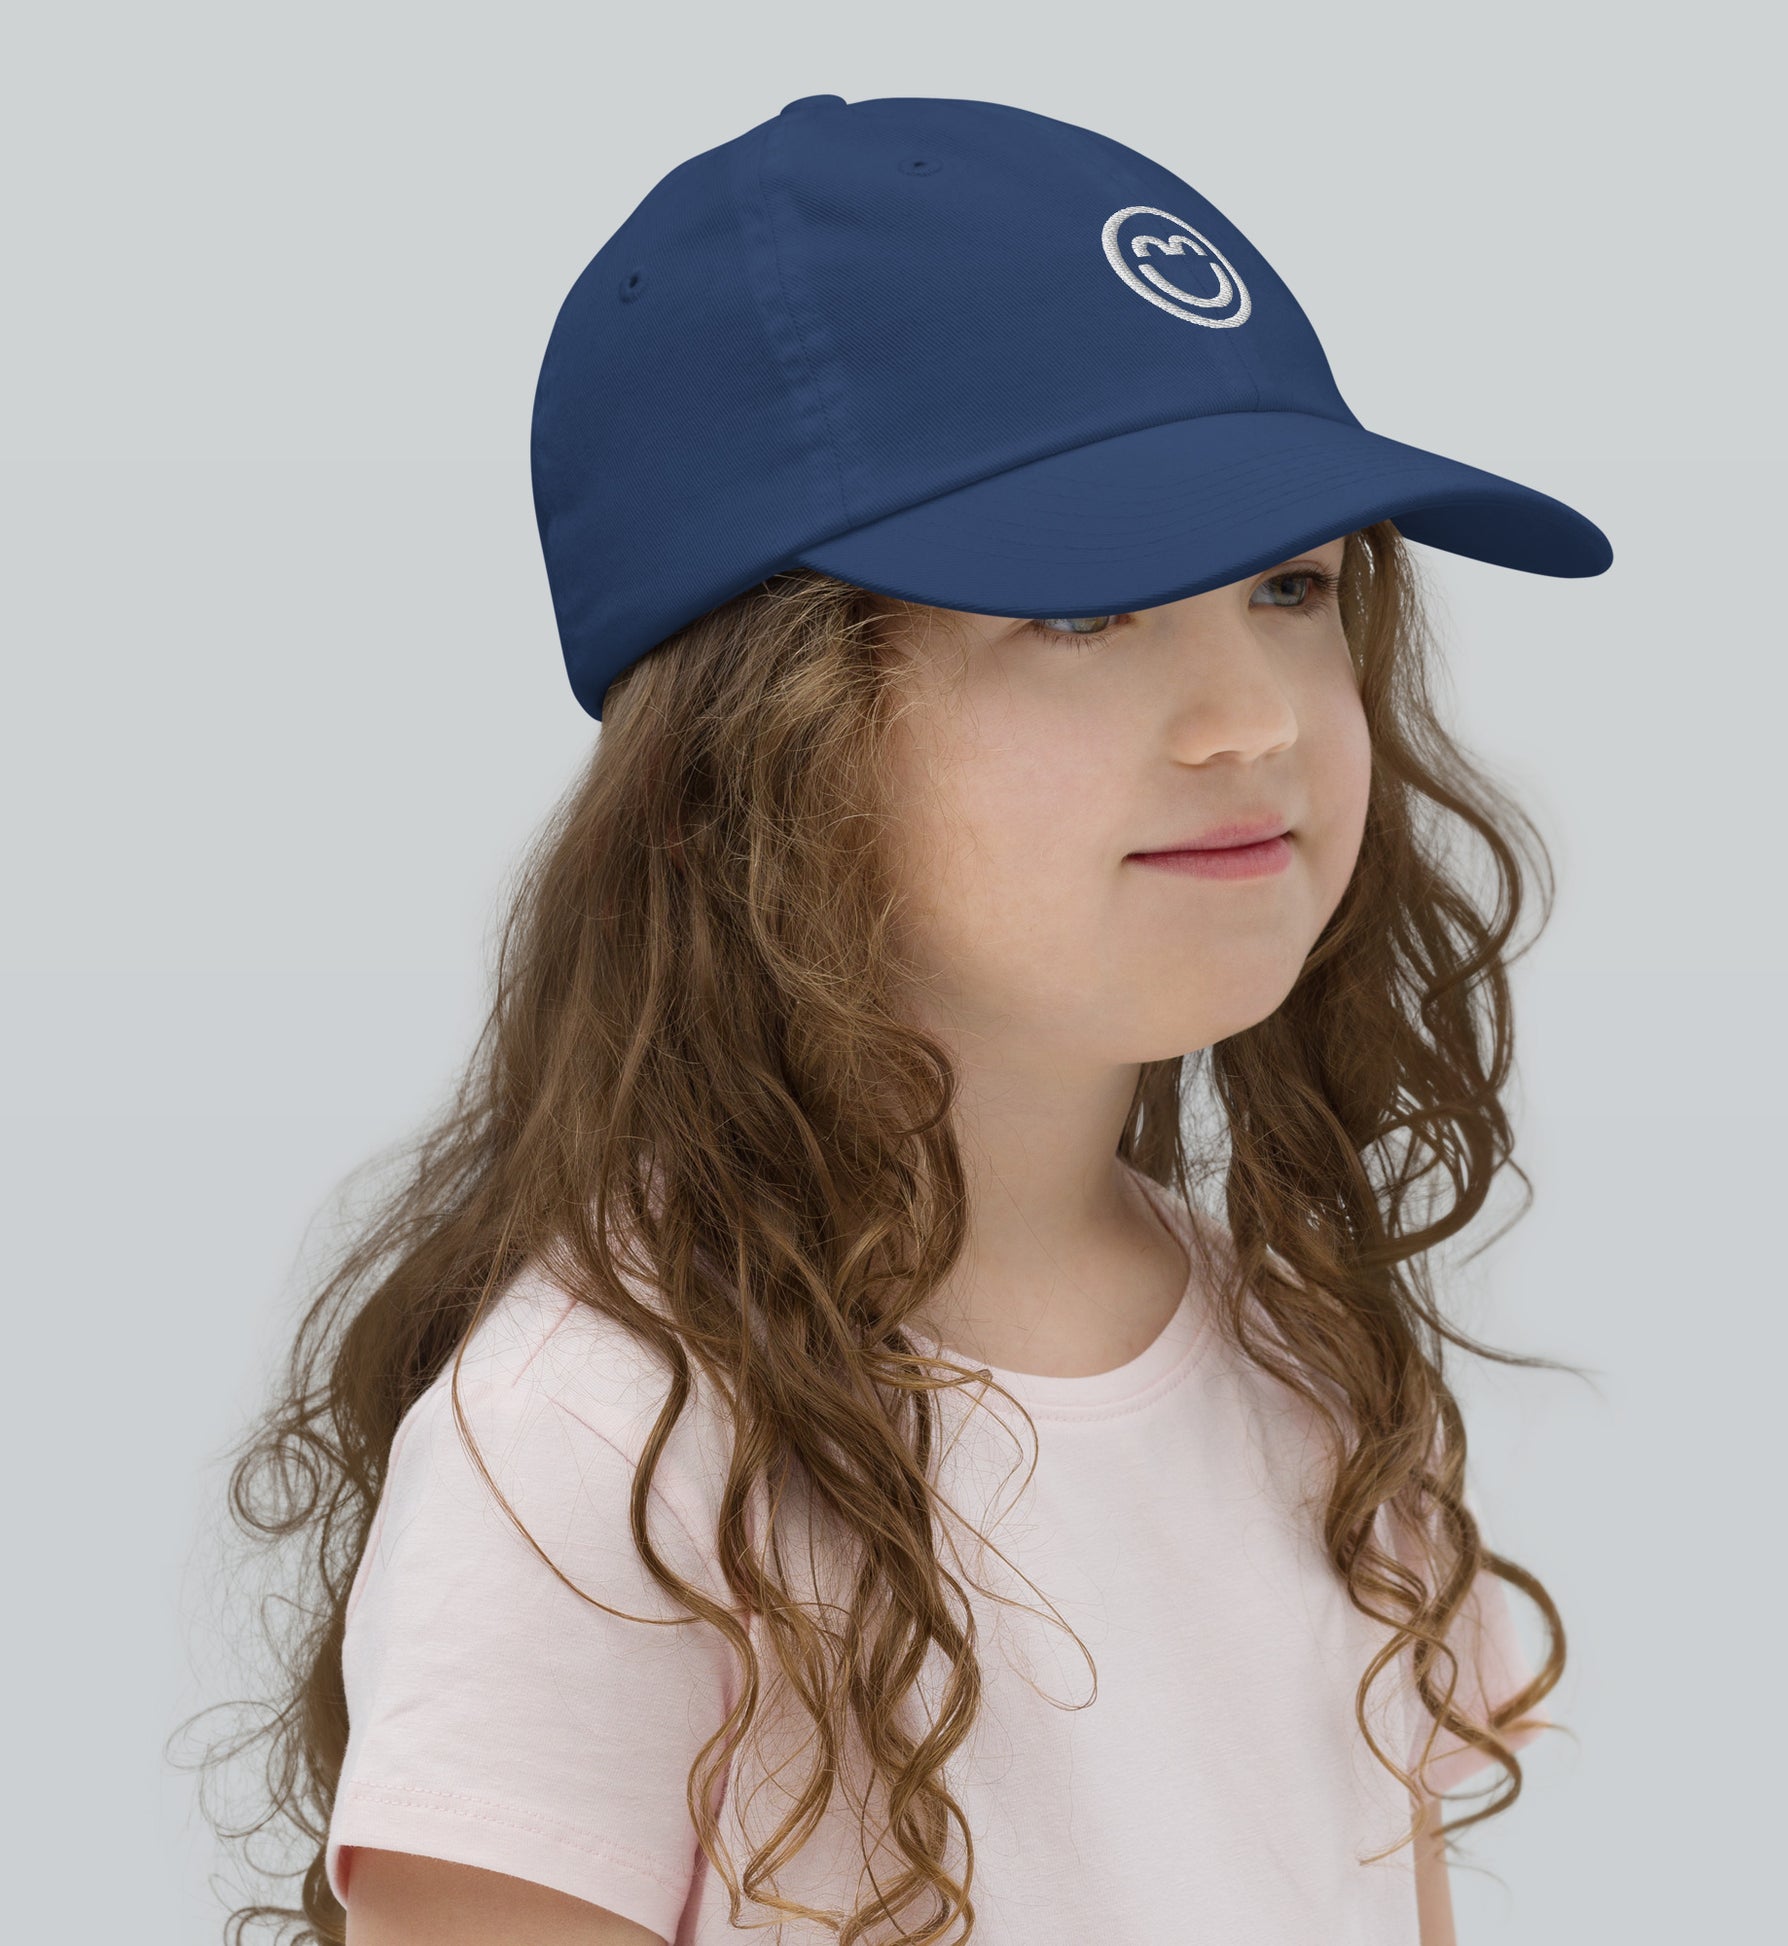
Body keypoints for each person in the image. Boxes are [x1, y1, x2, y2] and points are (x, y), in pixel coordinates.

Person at [207, 95, 1609, 1946]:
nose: (1254, 716)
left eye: (1292, 586)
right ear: (757, 740)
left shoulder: (1313, 1375)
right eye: (1085, 610)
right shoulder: (595, 1449)